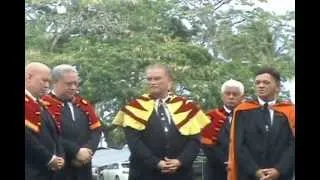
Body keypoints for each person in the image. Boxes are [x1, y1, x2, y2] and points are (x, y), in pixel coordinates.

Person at [112, 64, 211, 180]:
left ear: (169, 82)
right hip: (145, 174)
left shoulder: (187, 107)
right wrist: (156, 163)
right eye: (149, 79)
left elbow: (195, 140)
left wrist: (180, 161)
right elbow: (134, 142)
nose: (152, 82)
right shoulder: (134, 108)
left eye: (157, 78)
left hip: (181, 174)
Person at [227, 67, 295, 180]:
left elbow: (292, 145)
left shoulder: (289, 112)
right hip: (250, 175)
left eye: (266, 82)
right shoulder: (243, 111)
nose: (261, 85)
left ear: (278, 87)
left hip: (281, 175)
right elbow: (238, 145)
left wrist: (279, 170)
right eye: (257, 82)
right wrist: (255, 171)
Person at [41, 64, 102, 180]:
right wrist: (75, 152)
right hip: (58, 170)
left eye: (76, 83)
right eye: (69, 84)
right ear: (55, 82)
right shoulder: (43, 106)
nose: (73, 87)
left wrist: (87, 152)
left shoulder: (83, 105)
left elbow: (96, 131)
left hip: (84, 169)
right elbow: (48, 136)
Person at [25, 62, 65, 180]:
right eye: (44, 80)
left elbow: (55, 135)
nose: (47, 85)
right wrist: (49, 159)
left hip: (49, 173)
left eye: (49, 82)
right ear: (28, 77)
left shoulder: (41, 104)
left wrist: (60, 156)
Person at [201, 79, 244, 180]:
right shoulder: (210, 117)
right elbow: (206, 145)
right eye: (227, 93)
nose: (231, 97)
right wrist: (225, 161)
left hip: (242, 170)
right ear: (222, 96)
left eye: (235, 94)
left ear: (242, 97)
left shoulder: (249, 117)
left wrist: (237, 162)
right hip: (215, 171)